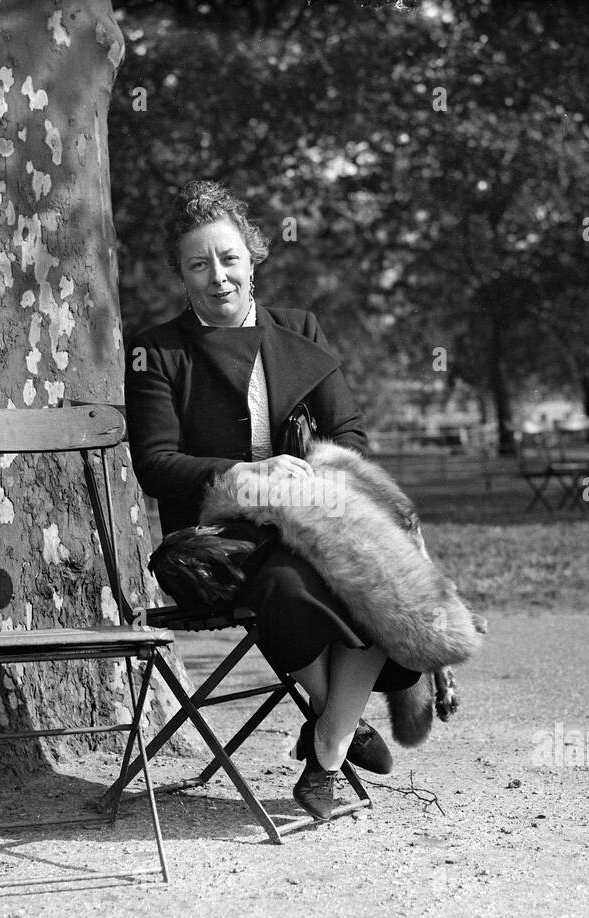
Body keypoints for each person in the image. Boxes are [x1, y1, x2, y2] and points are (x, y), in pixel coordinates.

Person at [124, 179, 420, 821]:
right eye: (198, 265)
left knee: (373, 574)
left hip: (310, 518)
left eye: (229, 258)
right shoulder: (156, 350)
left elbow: (349, 436)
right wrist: (247, 473)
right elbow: (155, 464)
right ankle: (339, 721)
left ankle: (327, 750)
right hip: (219, 541)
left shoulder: (300, 329)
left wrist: (315, 476)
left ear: (252, 257)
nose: (218, 277)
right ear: (181, 274)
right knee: (286, 587)